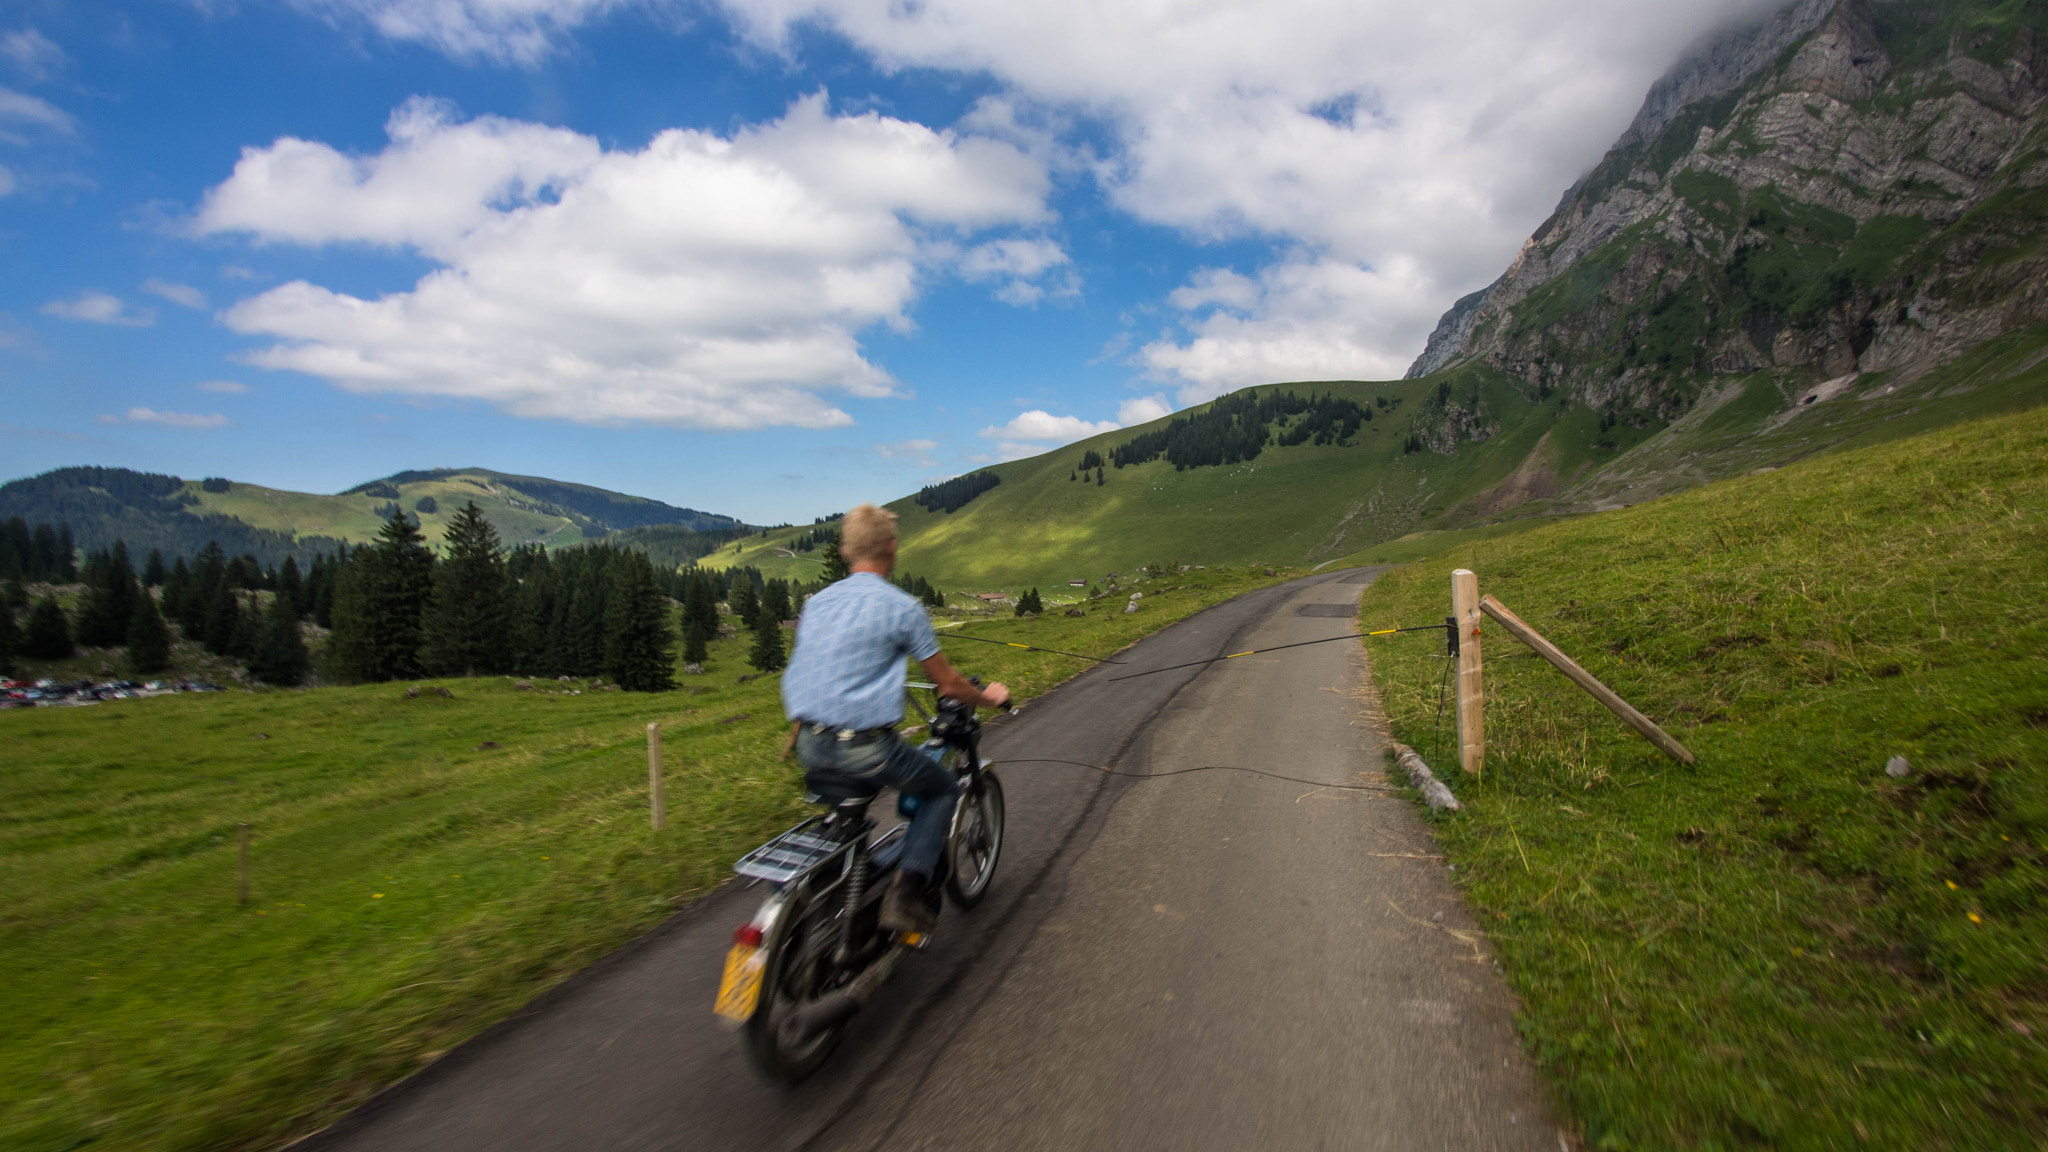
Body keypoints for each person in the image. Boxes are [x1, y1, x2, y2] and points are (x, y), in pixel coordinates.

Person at [781, 503, 1010, 937]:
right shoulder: (903, 608)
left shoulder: (818, 603)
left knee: (851, 805)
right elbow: (948, 685)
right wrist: (989, 697)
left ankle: (852, 881)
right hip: (865, 748)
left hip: (809, 744)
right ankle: (905, 893)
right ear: (891, 547)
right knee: (942, 790)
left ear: (848, 550)